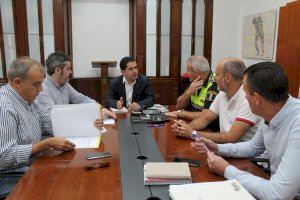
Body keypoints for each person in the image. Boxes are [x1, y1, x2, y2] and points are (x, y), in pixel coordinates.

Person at [192, 62, 300, 200]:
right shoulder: (271, 110)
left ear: (256, 99)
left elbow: (276, 194)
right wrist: (218, 148)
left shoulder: (297, 123)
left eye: (244, 92)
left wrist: (226, 169)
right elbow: (254, 147)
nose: (243, 97)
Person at [0, 57, 75, 195]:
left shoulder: (30, 101)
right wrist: (44, 144)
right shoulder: (4, 107)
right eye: (36, 84)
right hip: (8, 175)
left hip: (30, 164)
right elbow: (4, 156)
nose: (41, 90)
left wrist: (86, 124)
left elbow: (48, 122)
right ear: (18, 82)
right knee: (58, 186)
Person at [172, 58, 260, 143]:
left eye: (217, 75)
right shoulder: (222, 93)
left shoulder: (248, 99)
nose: (214, 78)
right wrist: (184, 129)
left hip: (247, 157)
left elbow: (231, 138)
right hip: (227, 149)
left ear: (227, 78)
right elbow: (205, 119)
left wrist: (192, 134)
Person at [37, 51, 116, 121]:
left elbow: (83, 100)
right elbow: (53, 118)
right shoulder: (42, 89)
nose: (70, 72)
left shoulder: (65, 85)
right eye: (68, 69)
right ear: (58, 70)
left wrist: (100, 108)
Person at [165, 56, 219, 125]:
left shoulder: (215, 84)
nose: (186, 73)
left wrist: (181, 114)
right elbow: (179, 106)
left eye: (188, 70)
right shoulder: (195, 80)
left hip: (209, 130)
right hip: (193, 122)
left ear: (196, 73)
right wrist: (188, 92)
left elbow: (206, 116)